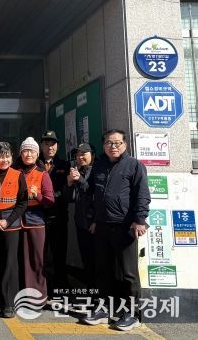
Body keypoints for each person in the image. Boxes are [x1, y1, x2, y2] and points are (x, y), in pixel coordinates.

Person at [82, 130, 150, 331]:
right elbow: (91, 193)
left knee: (128, 273)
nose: (113, 146)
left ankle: (132, 313)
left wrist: (139, 220)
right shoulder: (99, 165)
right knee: (103, 270)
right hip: (102, 226)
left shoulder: (134, 165)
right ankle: (104, 309)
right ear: (103, 146)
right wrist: (93, 218)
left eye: (117, 142)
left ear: (125, 145)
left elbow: (142, 195)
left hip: (125, 226)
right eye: (109, 143)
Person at [14, 137, 54, 301]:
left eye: (32, 151)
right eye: (25, 151)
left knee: (37, 260)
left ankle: (38, 297)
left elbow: (50, 201)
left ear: (37, 154)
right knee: (19, 260)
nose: (28, 154)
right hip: (16, 222)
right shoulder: (15, 172)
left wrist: (37, 194)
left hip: (36, 222)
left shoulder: (42, 174)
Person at [0, 141, 27, 318]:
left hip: (10, 224)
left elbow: (23, 202)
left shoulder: (18, 175)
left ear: (12, 157)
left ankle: (9, 303)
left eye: (7, 156)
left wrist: (8, 221)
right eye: (0, 156)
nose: (4, 160)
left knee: (10, 263)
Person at [39, 130, 71, 297]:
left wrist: (52, 197)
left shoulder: (65, 165)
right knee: (41, 254)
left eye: (53, 144)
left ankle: (61, 287)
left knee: (59, 253)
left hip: (59, 216)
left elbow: (67, 189)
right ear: (41, 146)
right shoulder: (35, 164)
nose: (50, 147)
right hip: (38, 216)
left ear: (57, 146)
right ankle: (43, 287)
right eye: (46, 144)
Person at [66, 142, 96, 288]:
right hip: (80, 222)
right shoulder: (78, 171)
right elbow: (71, 198)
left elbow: (96, 194)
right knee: (86, 258)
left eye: (84, 153)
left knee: (98, 260)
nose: (80, 157)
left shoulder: (98, 171)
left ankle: (99, 292)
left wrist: (96, 220)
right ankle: (90, 289)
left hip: (95, 224)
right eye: (78, 154)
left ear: (93, 155)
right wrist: (70, 183)